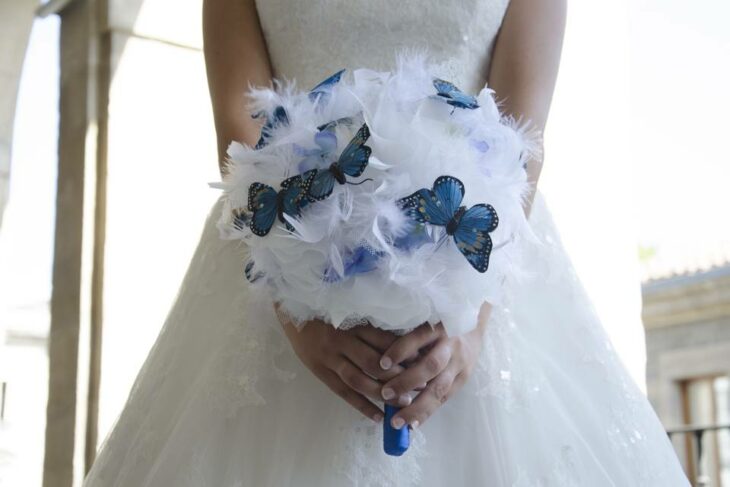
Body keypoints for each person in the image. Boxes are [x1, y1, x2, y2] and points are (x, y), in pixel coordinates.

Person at [83, 1, 690, 485]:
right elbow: (241, 131)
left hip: (475, 254)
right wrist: (294, 309)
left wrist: (471, 316)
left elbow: (520, 138)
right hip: (281, 250)